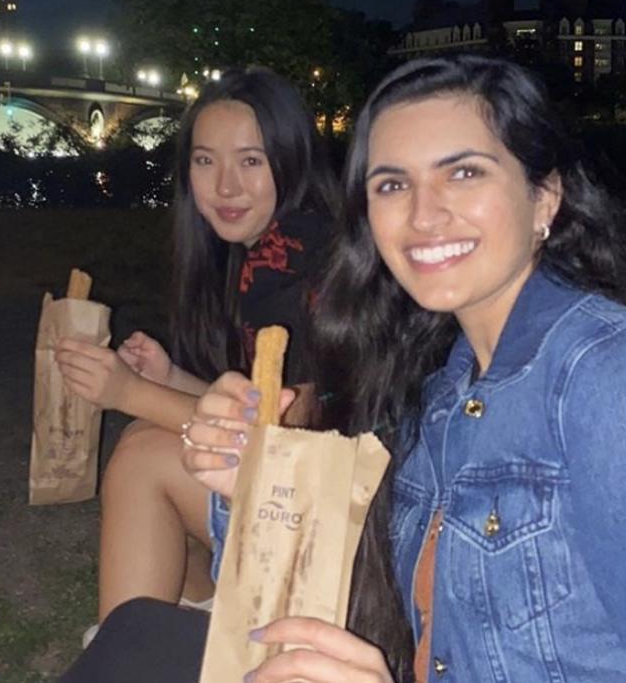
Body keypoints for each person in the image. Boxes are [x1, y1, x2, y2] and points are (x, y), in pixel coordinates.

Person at [63, 54, 626, 683]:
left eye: (463, 173)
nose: (423, 214)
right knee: (132, 644)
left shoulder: (602, 379)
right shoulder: (441, 388)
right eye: (391, 184)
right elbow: (390, 597)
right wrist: (248, 483)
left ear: (544, 195)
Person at [55, 66, 338, 630]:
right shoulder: (277, 241)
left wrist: (131, 392)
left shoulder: (290, 254)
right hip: (322, 488)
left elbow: (284, 433)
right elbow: (264, 402)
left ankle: (125, 660)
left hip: (339, 517)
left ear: (291, 160)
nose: (225, 186)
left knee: (142, 456)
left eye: (251, 161)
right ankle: (189, 626)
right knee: (155, 457)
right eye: (205, 160)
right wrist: (171, 380)